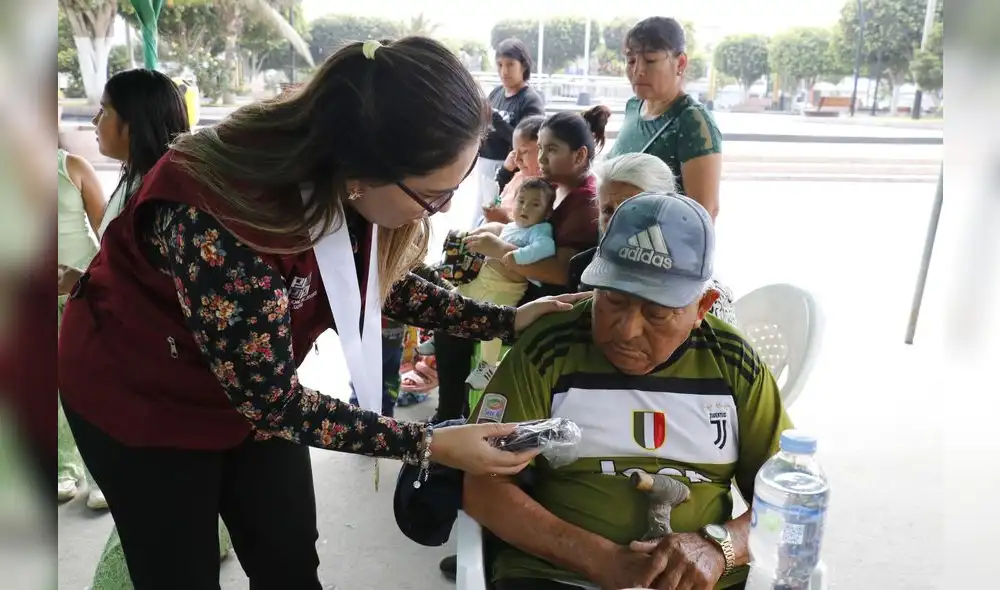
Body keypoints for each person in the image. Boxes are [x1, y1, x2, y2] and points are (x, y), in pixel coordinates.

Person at [58, 38, 578, 590]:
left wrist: (505, 320)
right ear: (361, 169)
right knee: (179, 572)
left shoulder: (344, 180)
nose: (444, 208)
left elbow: (379, 285)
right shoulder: (219, 213)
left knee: (288, 556)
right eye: (431, 194)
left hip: (252, 393)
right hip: (142, 396)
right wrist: (428, 443)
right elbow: (273, 402)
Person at [463, 193, 792, 590]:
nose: (626, 330)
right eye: (614, 300)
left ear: (702, 305)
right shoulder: (549, 350)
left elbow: (790, 499)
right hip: (558, 577)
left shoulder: (733, 362)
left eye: (657, 313)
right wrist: (599, 559)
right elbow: (483, 485)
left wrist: (721, 546)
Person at [435, 108, 607, 580]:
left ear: (582, 154)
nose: (542, 157)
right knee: (463, 357)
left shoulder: (586, 201)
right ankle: (451, 437)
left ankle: (491, 534)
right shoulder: (559, 192)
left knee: (510, 424)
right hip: (525, 311)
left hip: (546, 322)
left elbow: (560, 271)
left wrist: (500, 251)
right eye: (541, 147)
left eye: (552, 149)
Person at [571, 152, 737, 325]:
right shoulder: (583, 271)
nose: (617, 222)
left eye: (632, 210)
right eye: (607, 211)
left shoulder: (697, 286)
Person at [607, 17, 723, 221]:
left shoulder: (692, 120)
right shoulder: (633, 107)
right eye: (631, 60)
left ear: (681, 63)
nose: (637, 71)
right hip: (613, 246)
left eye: (650, 60)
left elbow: (704, 214)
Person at [456, 178, 557, 364]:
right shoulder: (511, 226)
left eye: (535, 204)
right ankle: (436, 333)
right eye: (521, 201)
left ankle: (487, 365)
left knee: (494, 322)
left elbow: (546, 247)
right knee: (456, 297)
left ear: (547, 212)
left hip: (506, 287)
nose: (525, 208)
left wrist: (518, 255)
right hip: (485, 278)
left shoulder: (540, 229)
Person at [57, 144, 106, 508]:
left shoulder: (71, 166)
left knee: (93, 383)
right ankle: (62, 468)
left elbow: (109, 233)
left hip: (81, 290)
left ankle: (101, 474)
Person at [474, 37, 545, 228]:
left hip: (515, 169)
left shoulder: (530, 100)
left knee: (505, 218)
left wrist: (498, 120)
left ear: (523, 65)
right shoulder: (496, 93)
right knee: (481, 214)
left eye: (510, 65)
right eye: (499, 65)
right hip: (488, 166)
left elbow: (531, 140)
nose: (504, 71)